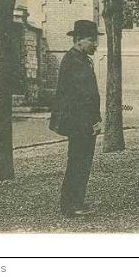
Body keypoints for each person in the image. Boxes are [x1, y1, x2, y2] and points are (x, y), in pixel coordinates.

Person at [49, 19, 103, 218]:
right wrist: (94, 120)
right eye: (92, 40)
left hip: (82, 121)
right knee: (78, 162)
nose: (95, 45)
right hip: (79, 122)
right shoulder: (74, 61)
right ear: (79, 40)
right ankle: (70, 205)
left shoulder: (79, 59)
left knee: (82, 162)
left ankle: (76, 201)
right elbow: (85, 96)